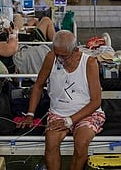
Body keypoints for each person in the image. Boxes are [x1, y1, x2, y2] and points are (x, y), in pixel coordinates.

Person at [17, 30, 105, 170]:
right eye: (57, 54)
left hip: (87, 114)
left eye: (63, 56)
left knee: (81, 143)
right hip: (58, 113)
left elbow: (96, 101)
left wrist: (69, 121)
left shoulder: (89, 63)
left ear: (75, 50)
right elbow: (38, 85)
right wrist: (30, 114)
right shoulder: (52, 58)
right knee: (51, 141)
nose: (60, 59)